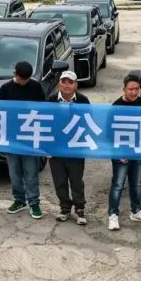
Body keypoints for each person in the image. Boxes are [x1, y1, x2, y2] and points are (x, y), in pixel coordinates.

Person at [0, 60, 46, 219]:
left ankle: (34, 202)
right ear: (15, 74)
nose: (23, 81)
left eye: (26, 79)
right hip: (12, 138)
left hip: (30, 137)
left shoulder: (36, 87)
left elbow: (43, 110)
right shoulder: (6, 89)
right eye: (20, 78)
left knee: (31, 172)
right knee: (14, 172)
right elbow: (0, 112)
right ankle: (19, 200)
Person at [107, 75, 141, 231]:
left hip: (138, 151)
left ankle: (136, 211)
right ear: (124, 89)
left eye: (137, 89)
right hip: (121, 153)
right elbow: (109, 133)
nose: (134, 92)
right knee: (118, 184)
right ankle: (113, 215)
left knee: (136, 183)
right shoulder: (116, 106)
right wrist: (118, 153)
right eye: (130, 89)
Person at [48, 70, 90, 225]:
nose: (66, 85)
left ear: (76, 85)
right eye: (64, 82)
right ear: (59, 83)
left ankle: (80, 209)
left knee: (76, 180)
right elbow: (45, 124)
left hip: (75, 148)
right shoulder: (50, 101)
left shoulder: (83, 100)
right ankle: (64, 208)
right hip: (56, 149)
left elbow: (88, 122)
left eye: (70, 82)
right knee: (59, 181)